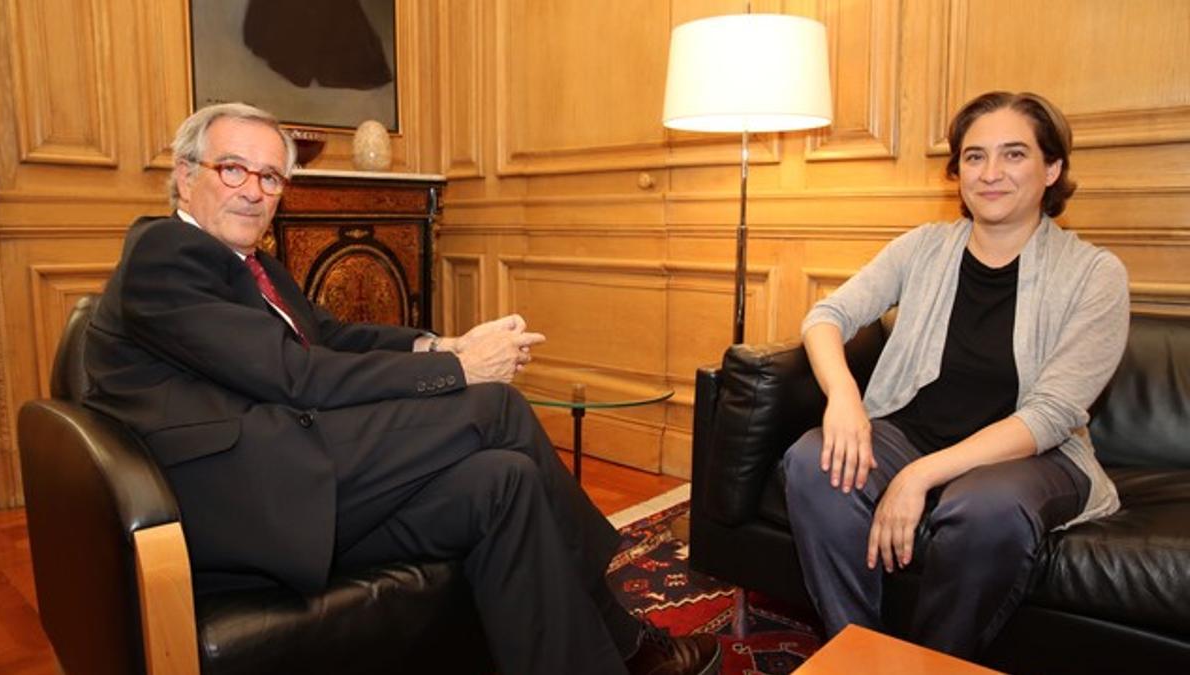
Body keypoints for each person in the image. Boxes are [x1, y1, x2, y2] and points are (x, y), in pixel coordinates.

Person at [83, 102, 721, 675]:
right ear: (184, 174)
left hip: (298, 466)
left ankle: (612, 657)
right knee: (493, 407)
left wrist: (436, 345)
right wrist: (463, 369)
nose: (254, 192)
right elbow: (292, 374)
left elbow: (330, 337)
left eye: (271, 177)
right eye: (233, 169)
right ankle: (626, 628)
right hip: (244, 496)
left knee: (504, 481)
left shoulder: (256, 266)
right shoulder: (163, 253)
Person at [781, 91, 1130, 658]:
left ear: (1052, 169)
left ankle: (934, 665)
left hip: (1031, 456)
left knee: (985, 510)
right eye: (974, 157)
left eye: (1014, 155)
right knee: (813, 462)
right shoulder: (924, 247)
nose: (991, 173)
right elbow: (828, 316)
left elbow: (1050, 415)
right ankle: (857, 654)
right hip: (913, 430)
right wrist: (843, 397)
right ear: (957, 171)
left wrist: (918, 477)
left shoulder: (1094, 274)